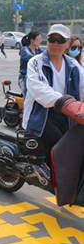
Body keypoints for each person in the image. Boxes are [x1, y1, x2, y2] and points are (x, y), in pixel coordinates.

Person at [23, 24, 84, 170]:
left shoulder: (73, 65)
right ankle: (58, 184)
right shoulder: (36, 62)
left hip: (67, 113)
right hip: (42, 115)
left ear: (67, 43)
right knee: (61, 147)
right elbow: (40, 91)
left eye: (60, 40)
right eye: (52, 39)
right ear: (47, 40)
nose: (56, 44)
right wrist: (66, 103)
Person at [18, 31, 44, 95]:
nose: (40, 41)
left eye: (41, 39)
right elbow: (32, 59)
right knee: (28, 96)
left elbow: (46, 55)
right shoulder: (24, 50)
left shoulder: (38, 49)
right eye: (38, 39)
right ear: (32, 40)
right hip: (25, 78)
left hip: (36, 78)